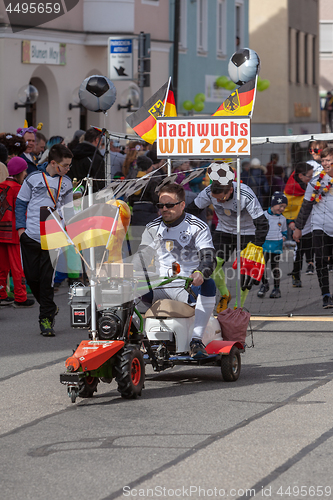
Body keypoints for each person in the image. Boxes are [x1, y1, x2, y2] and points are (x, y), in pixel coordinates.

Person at [132, 183, 216, 358]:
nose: (164, 209)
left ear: (182, 205)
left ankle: (196, 340)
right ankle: (133, 341)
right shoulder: (152, 227)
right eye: (160, 205)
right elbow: (143, 256)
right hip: (159, 286)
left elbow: (208, 258)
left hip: (187, 287)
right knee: (124, 288)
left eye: (169, 205)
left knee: (209, 283)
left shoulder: (197, 226)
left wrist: (200, 272)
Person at [187, 166, 268, 311]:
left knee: (246, 270)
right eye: (216, 199)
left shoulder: (244, 194)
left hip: (248, 231)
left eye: (222, 198)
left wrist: (255, 247)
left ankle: (239, 307)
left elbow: (263, 224)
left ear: (230, 190)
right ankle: (225, 294)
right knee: (212, 263)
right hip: (224, 230)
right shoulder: (208, 192)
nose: (220, 201)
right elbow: (191, 211)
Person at [15, 144, 74, 336]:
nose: (67, 170)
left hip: (53, 237)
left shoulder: (66, 183)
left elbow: (68, 209)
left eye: (69, 166)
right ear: (53, 163)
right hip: (30, 236)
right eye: (65, 166)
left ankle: (46, 319)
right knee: (32, 277)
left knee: (47, 280)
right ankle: (49, 307)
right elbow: (21, 203)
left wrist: (67, 229)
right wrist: (21, 230)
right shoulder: (33, 178)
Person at [293, 154, 333, 308]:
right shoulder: (315, 181)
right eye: (322, 161)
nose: (325, 163)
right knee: (321, 260)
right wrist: (298, 228)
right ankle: (326, 295)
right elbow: (306, 206)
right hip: (320, 226)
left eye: (328, 160)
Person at [0, 157, 35, 307]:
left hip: (0, 232)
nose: (26, 173)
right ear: (19, 173)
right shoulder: (18, 189)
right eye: (25, 171)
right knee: (17, 266)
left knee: (1, 267)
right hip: (13, 233)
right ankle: (20, 297)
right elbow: (22, 212)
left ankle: (1, 294)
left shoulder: (0, 186)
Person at [283, 161, 314, 286]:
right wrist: (291, 221)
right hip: (298, 224)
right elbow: (287, 206)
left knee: (311, 246)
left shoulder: (311, 184)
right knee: (299, 250)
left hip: (312, 220)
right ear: (301, 176)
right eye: (309, 176)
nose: (311, 178)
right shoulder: (291, 188)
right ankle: (296, 275)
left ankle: (311, 265)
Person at [257, 192, 288, 299]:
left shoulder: (282, 219)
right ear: (273, 204)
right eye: (280, 205)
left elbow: (284, 231)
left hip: (276, 245)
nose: (282, 208)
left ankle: (276, 288)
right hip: (264, 244)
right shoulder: (264, 215)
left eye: (284, 207)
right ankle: (264, 284)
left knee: (275, 267)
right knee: (261, 266)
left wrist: (283, 237)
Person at [69, 128, 105, 193]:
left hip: (72, 194)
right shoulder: (96, 159)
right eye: (101, 140)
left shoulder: (72, 154)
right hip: (90, 197)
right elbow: (100, 183)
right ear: (97, 140)